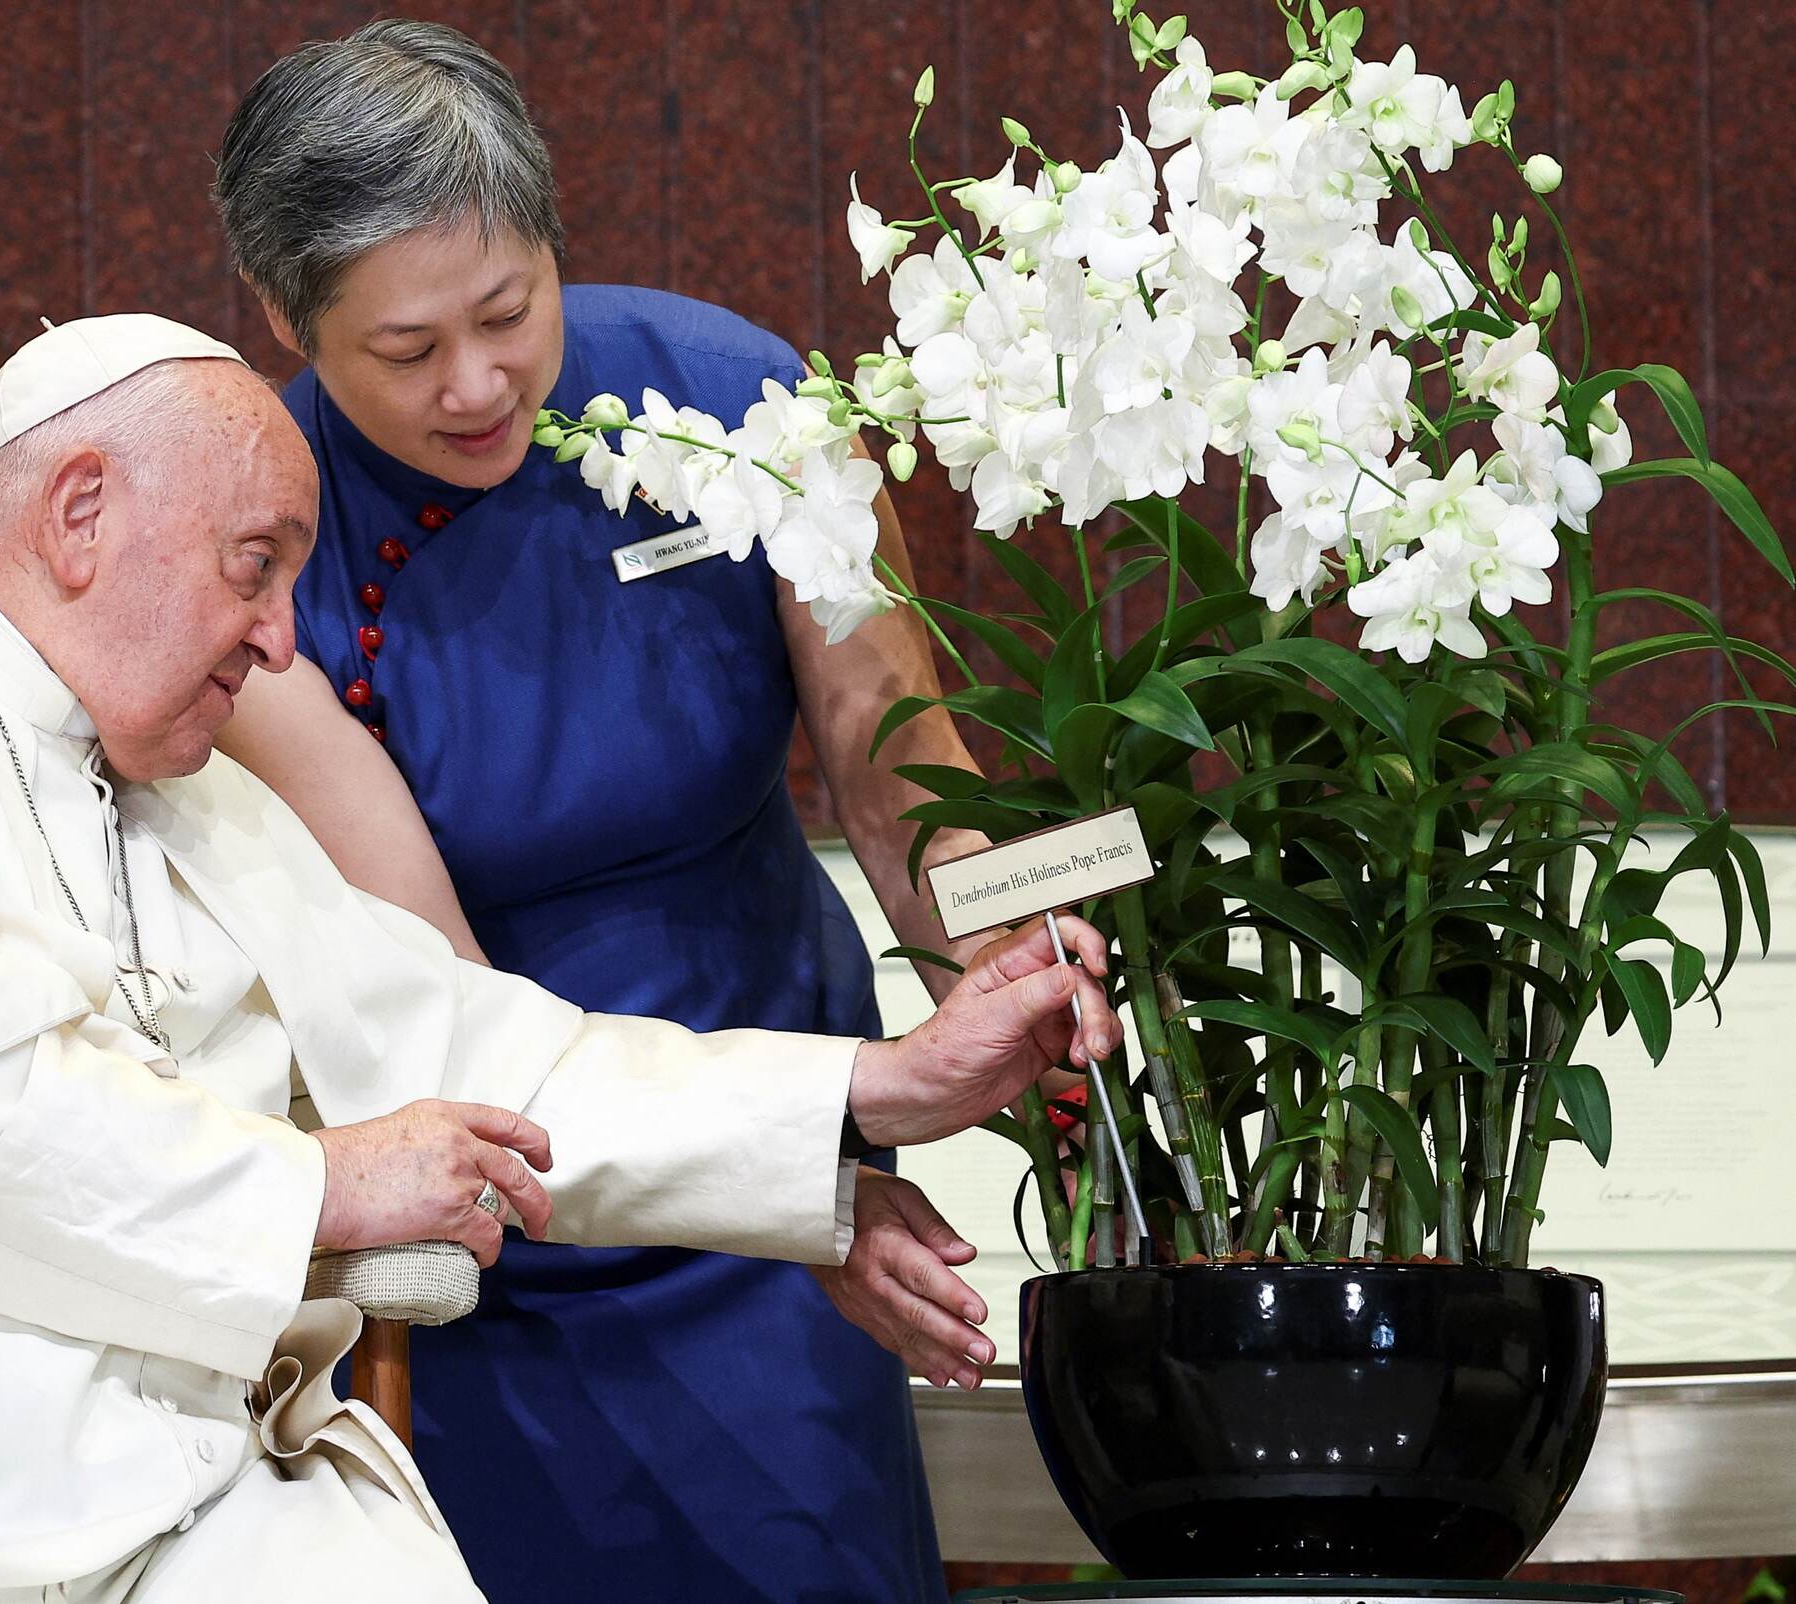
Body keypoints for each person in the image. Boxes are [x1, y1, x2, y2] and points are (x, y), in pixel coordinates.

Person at [0, 314, 1118, 1603]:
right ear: (81, 510)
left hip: (135, 1450)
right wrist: (313, 1184)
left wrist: (881, 1085)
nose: (274, 643)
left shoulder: (189, 801)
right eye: (255, 570)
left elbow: (476, 1045)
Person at [210, 22, 1095, 1601]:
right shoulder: (266, 545)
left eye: (509, 311)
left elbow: (907, 785)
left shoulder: (737, 402)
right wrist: (803, 1185)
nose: (479, 386)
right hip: (498, 1210)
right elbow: (446, 1000)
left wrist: (1012, 953)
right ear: (286, 318)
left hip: (802, 1166)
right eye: (406, 353)